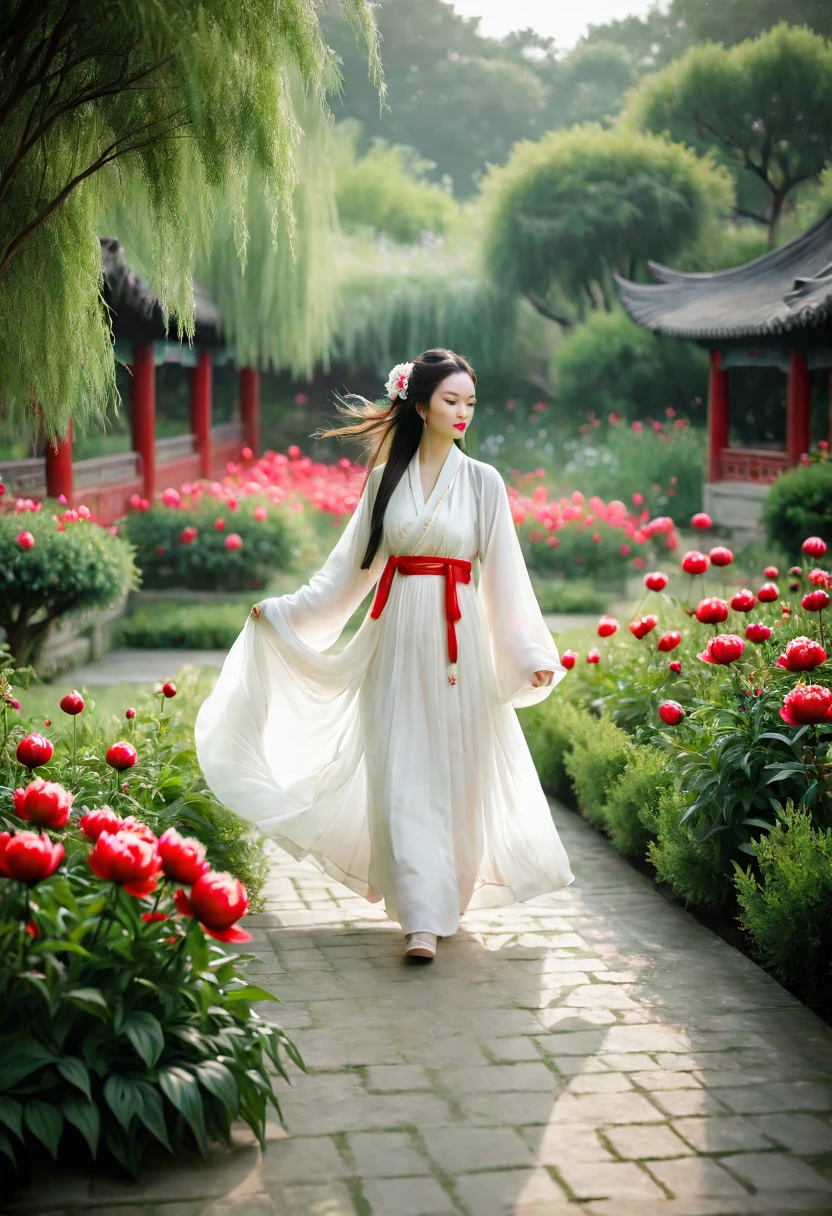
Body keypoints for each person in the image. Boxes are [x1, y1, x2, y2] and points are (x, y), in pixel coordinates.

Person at [194, 348, 574, 964]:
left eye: (470, 402)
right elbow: (345, 576)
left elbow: (506, 575)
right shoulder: (382, 484)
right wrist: (285, 613)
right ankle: (419, 919)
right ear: (419, 405)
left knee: (457, 773)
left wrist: (528, 650)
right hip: (394, 645)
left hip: (460, 654)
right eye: (451, 400)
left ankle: (444, 895)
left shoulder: (483, 483)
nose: (462, 412)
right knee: (401, 772)